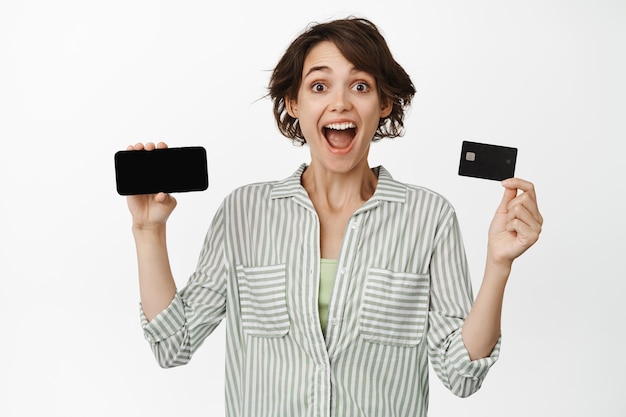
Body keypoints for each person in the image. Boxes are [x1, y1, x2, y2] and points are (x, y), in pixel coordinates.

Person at [126, 17, 542, 417]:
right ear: (293, 103)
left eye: (360, 86)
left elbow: (460, 374)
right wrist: (148, 231)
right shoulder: (244, 213)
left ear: (384, 104)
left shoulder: (429, 217)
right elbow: (173, 345)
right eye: (319, 86)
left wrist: (498, 264)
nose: (339, 102)